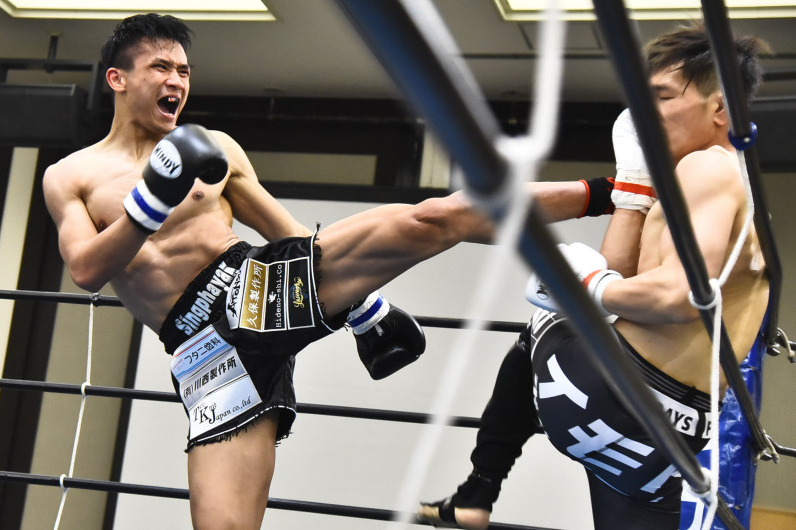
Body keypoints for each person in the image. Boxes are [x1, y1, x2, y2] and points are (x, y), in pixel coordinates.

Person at [42, 13, 618, 529]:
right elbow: (86, 269)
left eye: (184, 71)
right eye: (161, 67)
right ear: (118, 78)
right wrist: (151, 201)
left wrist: (362, 307)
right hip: (200, 352)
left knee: (432, 217)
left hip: (250, 288)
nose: (177, 81)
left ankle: (611, 192)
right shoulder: (72, 176)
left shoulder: (216, 147)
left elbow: (283, 232)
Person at [417, 22, 770, 530]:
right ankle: (476, 495)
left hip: (608, 397)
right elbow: (623, 277)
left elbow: (676, 296)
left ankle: (478, 490)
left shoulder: (706, 169)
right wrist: (633, 190)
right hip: (673, 433)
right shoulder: (725, 185)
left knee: (543, 323)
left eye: (662, 96)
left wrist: (585, 286)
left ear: (722, 109)